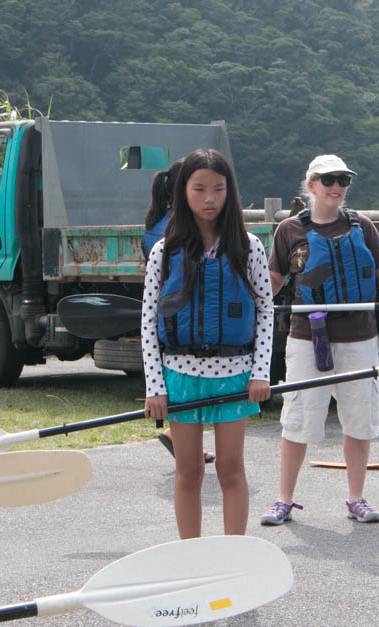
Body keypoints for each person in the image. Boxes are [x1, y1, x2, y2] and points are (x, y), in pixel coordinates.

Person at [260, 154, 379, 526]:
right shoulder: (289, 230)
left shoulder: (363, 225)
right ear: (311, 186)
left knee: (359, 416)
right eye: (328, 180)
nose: (337, 187)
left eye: (343, 180)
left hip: (359, 335)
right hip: (308, 336)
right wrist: (254, 298)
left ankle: (356, 498)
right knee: (299, 417)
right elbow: (275, 279)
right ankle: (284, 500)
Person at [142, 148, 273, 539]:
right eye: (199, 189)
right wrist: (155, 387)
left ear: (229, 192)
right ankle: (191, 558)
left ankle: (233, 557)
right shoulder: (163, 251)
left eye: (218, 189)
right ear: (183, 192)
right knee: (189, 472)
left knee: (231, 470)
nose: (209, 198)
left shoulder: (250, 247)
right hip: (180, 375)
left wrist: (261, 373)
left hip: (235, 375)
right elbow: (148, 320)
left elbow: (266, 310)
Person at [143, 160, 216, 464]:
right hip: (187, 309)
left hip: (168, 308)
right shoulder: (178, 226)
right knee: (191, 384)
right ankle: (183, 440)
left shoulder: (155, 221)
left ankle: (181, 438)